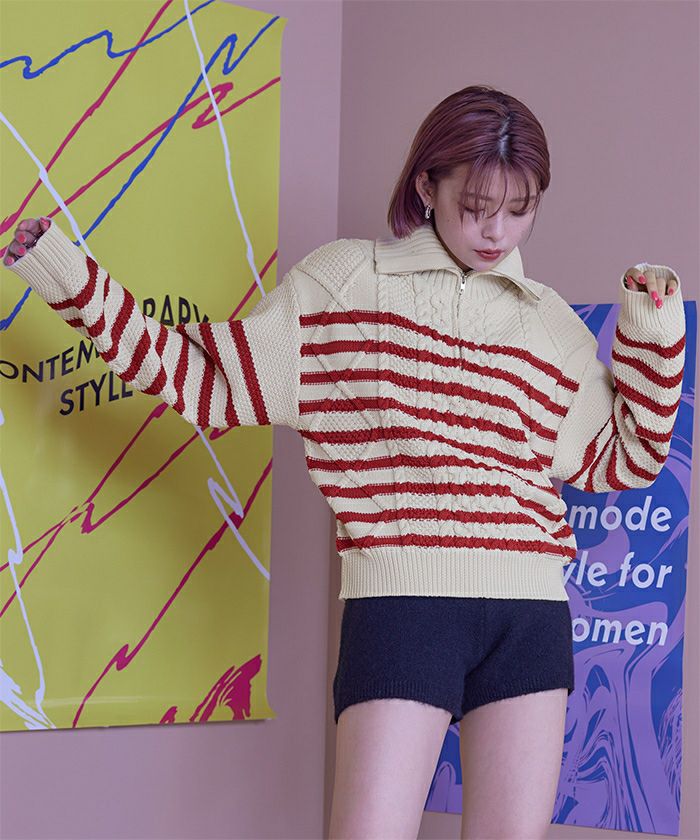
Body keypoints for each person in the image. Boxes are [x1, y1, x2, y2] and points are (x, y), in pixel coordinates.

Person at [2, 84, 686, 839]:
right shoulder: (344, 283)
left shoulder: (548, 323)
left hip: (529, 613)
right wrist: (71, 278)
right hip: (403, 606)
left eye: (520, 209)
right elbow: (204, 383)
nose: (497, 231)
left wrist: (652, 331)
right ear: (426, 186)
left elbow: (626, 458)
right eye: (475, 206)